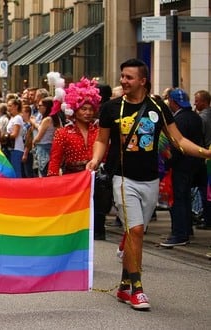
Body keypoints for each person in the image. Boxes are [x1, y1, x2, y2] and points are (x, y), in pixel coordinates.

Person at [86, 58, 211, 311]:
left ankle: (123, 284)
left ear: (142, 80)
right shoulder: (111, 108)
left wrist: (205, 153)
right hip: (123, 179)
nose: (123, 81)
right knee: (136, 231)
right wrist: (95, 159)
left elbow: (178, 140)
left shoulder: (158, 107)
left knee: (135, 234)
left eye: (129, 77)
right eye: (122, 76)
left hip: (150, 180)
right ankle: (138, 289)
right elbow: (102, 140)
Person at [46, 77, 104, 239]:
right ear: (74, 109)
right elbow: (55, 160)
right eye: (83, 109)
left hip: (95, 182)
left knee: (95, 227)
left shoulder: (100, 130)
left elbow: (104, 154)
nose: (88, 113)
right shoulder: (62, 133)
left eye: (91, 109)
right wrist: (52, 183)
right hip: (72, 182)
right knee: (73, 224)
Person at [160, 89, 203, 247]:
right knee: (185, 198)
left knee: (178, 199)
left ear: (173, 102)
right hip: (194, 164)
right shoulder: (195, 117)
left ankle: (180, 233)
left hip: (180, 165)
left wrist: (168, 162)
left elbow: (177, 144)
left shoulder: (177, 120)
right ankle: (186, 229)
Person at [194, 90, 211, 230]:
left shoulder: (201, 119)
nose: (195, 103)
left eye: (197, 101)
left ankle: (207, 217)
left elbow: (200, 138)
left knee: (204, 189)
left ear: (204, 102)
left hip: (205, 156)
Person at [32, 96, 61, 176]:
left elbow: (38, 137)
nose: (38, 108)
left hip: (43, 148)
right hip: (51, 146)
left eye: (40, 106)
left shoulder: (47, 119)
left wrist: (33, 142)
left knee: (43, 172)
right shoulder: (55, 119)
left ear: (46, 107)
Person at [6, 98, 25, 178]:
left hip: (16, 147)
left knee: (16, 170)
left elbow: (15, 134)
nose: (8, 108)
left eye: (10, 106)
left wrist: (5, 136)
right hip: (11, 147)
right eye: (8, 106)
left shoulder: (17, 118)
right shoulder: (12, 118)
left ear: (16, 106)